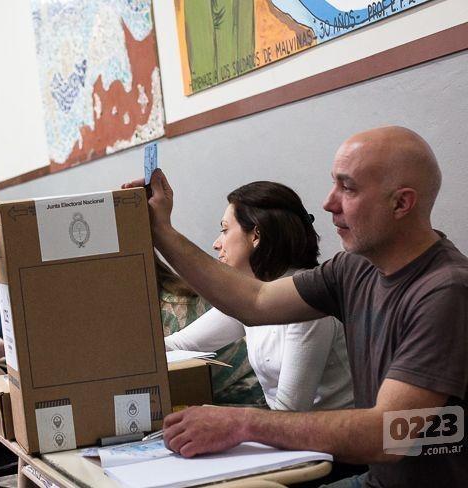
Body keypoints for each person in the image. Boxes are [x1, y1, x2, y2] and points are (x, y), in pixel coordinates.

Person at [123, 126, 467, 486]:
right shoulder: (355, 268)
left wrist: (242, 423)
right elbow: (255, 301)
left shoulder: (446, 291)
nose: (328, 203)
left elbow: (389, 433)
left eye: (348, 188)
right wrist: (161, 230)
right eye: (333, 184)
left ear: (401, 203)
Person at [164, 182, 353, 411]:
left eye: (225, 230)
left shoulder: (306, 303)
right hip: (281, 428)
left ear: (256, 235)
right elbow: (179, 345)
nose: (216, 244)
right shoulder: (250, 299)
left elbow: (289, 412)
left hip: (328, 431)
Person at [156, 258, 266, 407]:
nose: (216, 246)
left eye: (225, 233)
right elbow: (178, 344)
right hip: (223, 403)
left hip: (246, 401)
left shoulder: (175, 308)